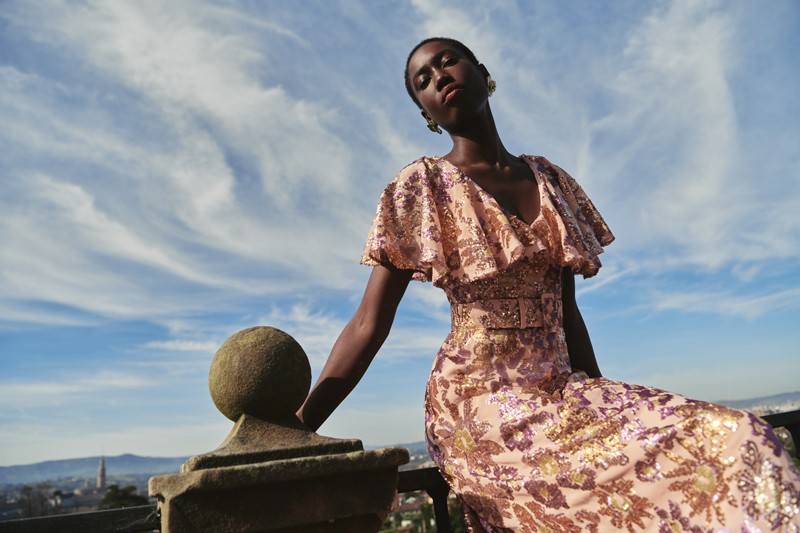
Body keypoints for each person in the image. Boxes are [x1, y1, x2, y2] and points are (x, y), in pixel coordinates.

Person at [298, 37, 800, 532]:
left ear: (482, 73)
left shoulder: (550, 180)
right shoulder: (420, 185)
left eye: (448, 61)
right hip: (479, 407)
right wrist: (298, 429)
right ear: (427, 114)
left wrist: (609, 400)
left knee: (741, 437)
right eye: (422, 81)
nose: (439, 77)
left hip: (563, 391)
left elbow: (567, 312)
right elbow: (368, 324)